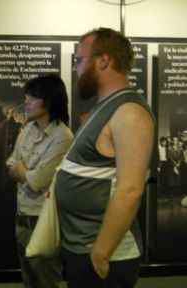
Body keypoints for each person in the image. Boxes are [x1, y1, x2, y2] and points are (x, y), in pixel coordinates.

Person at [54, 27, 155, 288]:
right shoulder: (105, 107)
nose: (76, 68)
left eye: (79, 60)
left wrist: (101, 251)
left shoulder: (129, 112)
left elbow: (130, 190)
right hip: (82, 246)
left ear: (103, 60)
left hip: (104, 254)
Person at [6, 74, 73, 288]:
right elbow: (10, 164)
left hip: (43, 220)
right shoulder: (28, 129)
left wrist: (23, 172)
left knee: (46, 280)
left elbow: (36, 181)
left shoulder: (62, 136)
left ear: (50, 101)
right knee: (29, 280)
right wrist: (24, 173)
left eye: (33, 97)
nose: (27, 101)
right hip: (22, 217)